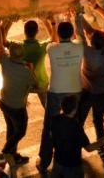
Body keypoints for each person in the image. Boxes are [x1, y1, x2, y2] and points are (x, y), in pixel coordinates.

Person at [40, 20, 84, 172]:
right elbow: (80, 34)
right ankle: (74, 155)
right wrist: (75, 16)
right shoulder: (79, 46)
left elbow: (52, 40)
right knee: (73, 124)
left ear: (58, 34)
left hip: (56, 91)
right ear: (72, 34)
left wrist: (51, 24)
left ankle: (45, 161)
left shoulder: (52, 48)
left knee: (49, 126)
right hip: (75, 91)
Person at [76, 14, 104, 159]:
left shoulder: (87, 52)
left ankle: (77, 146)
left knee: (79, 120)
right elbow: (85, 36)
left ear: (92, 41)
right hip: (102, 92)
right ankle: (102, 149)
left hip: (88, 91)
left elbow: (80, 34)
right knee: (98, 121)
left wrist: (76, 18)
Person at [49, 94, 104, 177]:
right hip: (72, 165)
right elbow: (88, 148)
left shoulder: (55, 119)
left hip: (58, 161)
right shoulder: (76, 127)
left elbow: (51, 136)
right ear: (75, 110)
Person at [0, 37, 35, 166]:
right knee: (20, 131)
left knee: (11, 129)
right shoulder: (26, 72)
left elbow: (0, 47)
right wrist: (31, 68)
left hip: (4, 102)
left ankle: (13, 155)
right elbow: (33, 84)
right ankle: (6, 152)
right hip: (17, 107)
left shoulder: (5, 62)